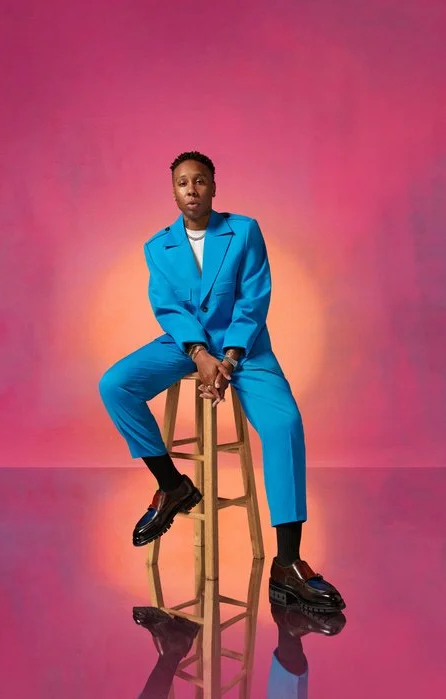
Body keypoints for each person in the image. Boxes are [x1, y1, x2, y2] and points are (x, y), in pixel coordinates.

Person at [99, 151, 345, 612]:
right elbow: (168, 307)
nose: (191, 189)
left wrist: (228, 359)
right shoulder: (157, 247)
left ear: (213, 186)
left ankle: (287, 563)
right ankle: (172, 485)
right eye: (182, 183)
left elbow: (254, 299)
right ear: (173, 192)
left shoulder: (244, 231)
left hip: (245, 348)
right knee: (115, 385)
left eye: (200, 180)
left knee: (285, 425)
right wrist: (198, 353)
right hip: (184, 345)